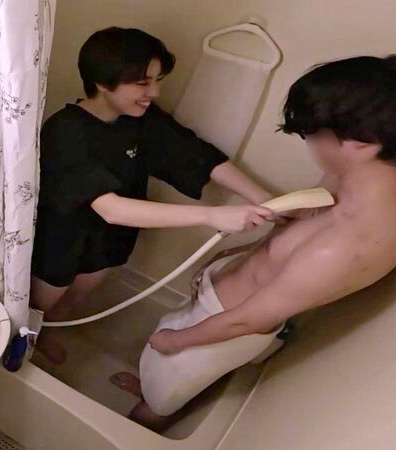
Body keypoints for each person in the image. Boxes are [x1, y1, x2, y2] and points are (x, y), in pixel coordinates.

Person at [109, 55, 396, 431]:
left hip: (224, 327)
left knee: (166, 394)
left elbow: (250, 319)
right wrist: (229, 258)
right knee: (161, 364)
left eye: (314, 135)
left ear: (360, 144)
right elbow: (289, 236)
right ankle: (151, 383)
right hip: (217, 306)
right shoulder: (356, 173)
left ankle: (148, 417)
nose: (310, 144)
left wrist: (177, 342)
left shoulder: (353, 242)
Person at [31, 28, 278, 363]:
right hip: (62, 238)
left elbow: (196, 155)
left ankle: (50, 333)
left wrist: (266, 200)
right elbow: (111, 208)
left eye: (157, 81)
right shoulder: (65, 130)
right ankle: (25, 341)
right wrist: (212, 215)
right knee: (42, 303)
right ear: (103, 82)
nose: (155, 92)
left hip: (109, 239)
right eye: (143, 83)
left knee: (79, 297)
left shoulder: (142, 120)